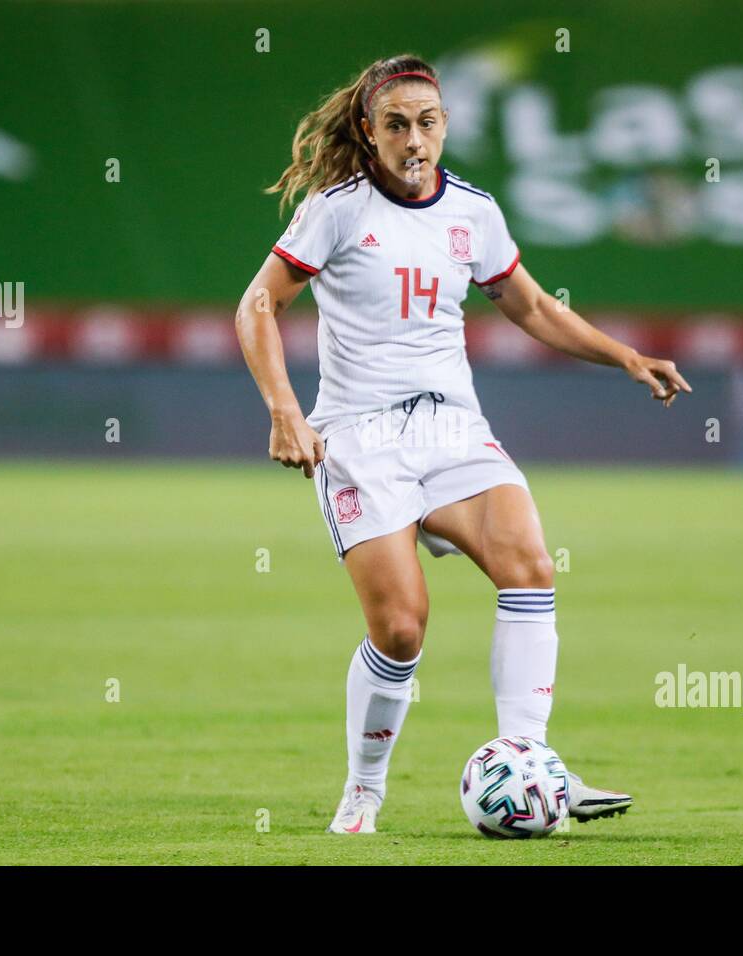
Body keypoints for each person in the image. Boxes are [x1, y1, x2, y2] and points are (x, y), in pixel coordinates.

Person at [235, 54, 691, 834]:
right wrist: (285, 409)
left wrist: (624, 355)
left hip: (453, 429)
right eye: (398, 124)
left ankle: (531, 763)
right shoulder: (336, 209)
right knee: (403, 628)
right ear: (367, 131)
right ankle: (365, 789)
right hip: (360, 437)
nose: (416, 139)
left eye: (429, 122)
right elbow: (257, 306)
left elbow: (533, 306)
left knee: (530, 565)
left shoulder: (473, 211)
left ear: (445, 126)